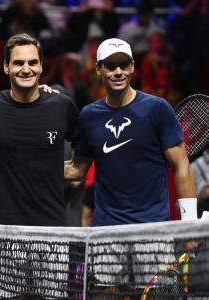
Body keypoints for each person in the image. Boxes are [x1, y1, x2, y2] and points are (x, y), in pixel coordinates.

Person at [64, 37, 197, 298]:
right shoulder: (89, 116)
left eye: (124, 65)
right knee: (103, 295)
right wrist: (33, 165)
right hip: (106, 229)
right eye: (111, 66)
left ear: (133, 67)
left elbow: (182, 165)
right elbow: (76, 170)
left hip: (153, 229)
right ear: (99, 69)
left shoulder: (157, 109)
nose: (118, 72)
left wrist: (189, 224)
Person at [0, 33, 79, 299]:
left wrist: (73, 171)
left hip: (54, 232)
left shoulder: (61, 106)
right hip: (5, 232)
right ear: (5, 67)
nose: (26, 69)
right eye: (19, 63)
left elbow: (85, 149)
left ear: (42, 66)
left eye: (32, 62)